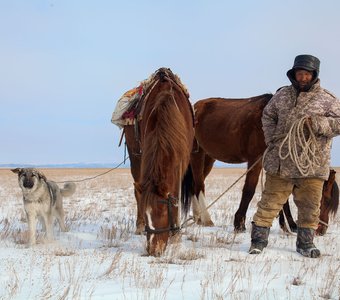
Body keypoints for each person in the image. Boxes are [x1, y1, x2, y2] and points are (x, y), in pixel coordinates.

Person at [249, 54, 340, 258]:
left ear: (314, 75)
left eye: (306, 74)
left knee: (309, 208)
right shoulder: (281, 96)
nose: (302, 77)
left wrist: (317, 123)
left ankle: (305, 244)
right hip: (280, 163)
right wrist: (272, 139)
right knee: (269, 204)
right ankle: (258, 241)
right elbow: (268, 116)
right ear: (294, 74)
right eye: (299, 73)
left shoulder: (328, 100)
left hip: (312, 165)